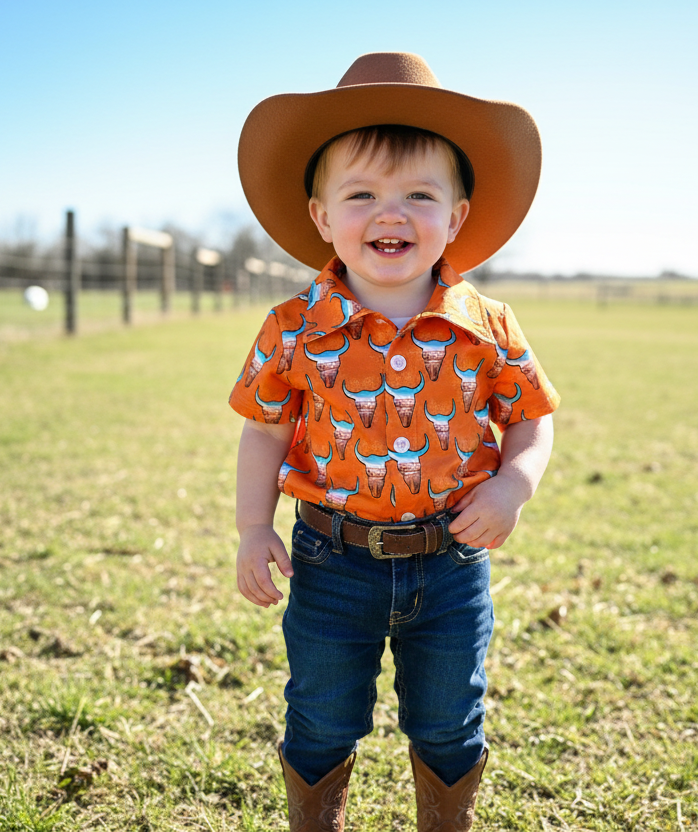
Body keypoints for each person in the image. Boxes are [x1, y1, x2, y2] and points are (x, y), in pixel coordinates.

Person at [229, 52, 558, 832]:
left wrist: (514, 485)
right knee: (319, 714)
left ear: (457, 216)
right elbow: (265, 429)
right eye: (362, 194)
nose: (391, 213)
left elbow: (532, 417)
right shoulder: (293, 327)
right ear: (321, 218)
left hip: (449, 564)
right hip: (329, 562)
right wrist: (251, 526)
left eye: (419, 194)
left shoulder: (487, 326)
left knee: (448, 720)